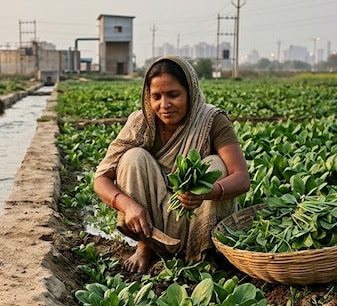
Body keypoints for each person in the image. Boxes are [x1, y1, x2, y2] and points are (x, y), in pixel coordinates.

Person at [93, 55, 250, 274]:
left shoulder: (212, 120)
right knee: (133, 157)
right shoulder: (141, 123)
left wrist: (208, 191)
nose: (164, 105)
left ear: (190, 93)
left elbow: (241, 177)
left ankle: (202, 254)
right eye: (156, 96)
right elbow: (100, 179)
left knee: (214, 164)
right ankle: (145, 247)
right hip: (152, 219)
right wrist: (128, 205)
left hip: (197, 216)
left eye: (173, 95)